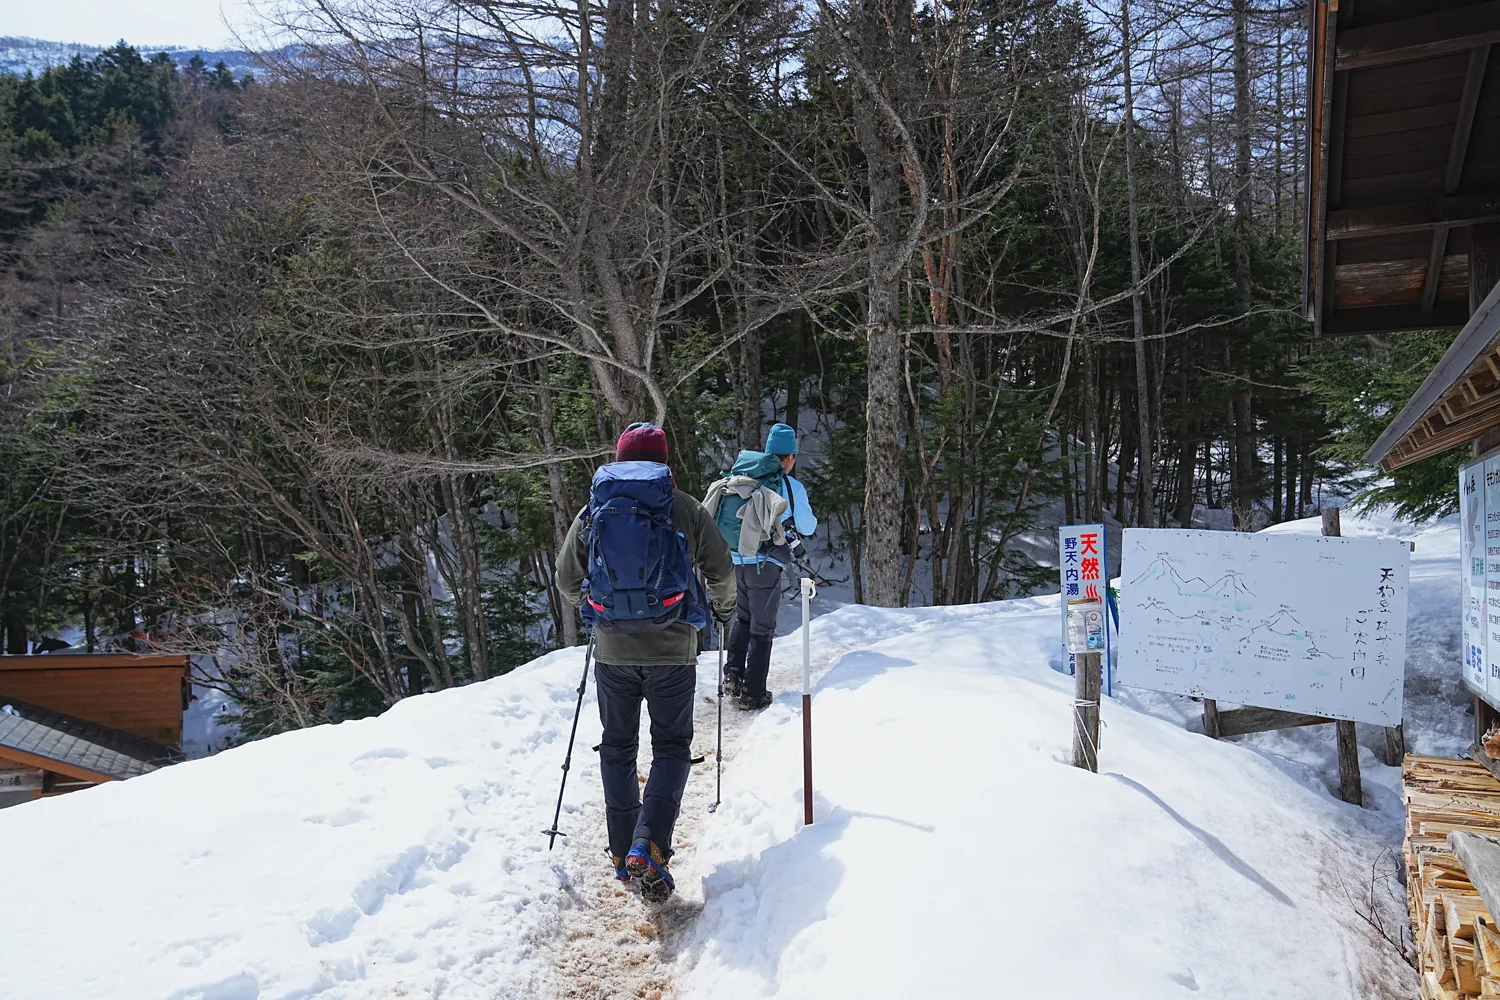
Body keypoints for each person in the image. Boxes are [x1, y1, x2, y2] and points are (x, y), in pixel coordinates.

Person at [555, 422, 735, 902]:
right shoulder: (684, 507)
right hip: (673, 650)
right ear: (663, 460)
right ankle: (650, 845)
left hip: (612, 651)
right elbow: (721, 571)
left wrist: (599, 608)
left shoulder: (594, 510)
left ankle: (621, 853)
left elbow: (567, 580)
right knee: (672, 747)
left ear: (618, 459)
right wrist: (723, 610)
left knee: (617, 747)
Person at [712, 422, 818, 711]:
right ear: (789, 457)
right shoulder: (789, 487)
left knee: (743, 618)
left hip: (736, 560)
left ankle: (732, 677)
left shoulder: (743, 476)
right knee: (763, 628)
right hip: (766, 564)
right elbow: (807, 527)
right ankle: (754, 692)